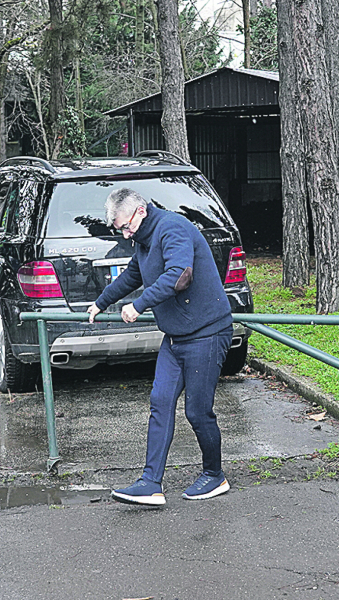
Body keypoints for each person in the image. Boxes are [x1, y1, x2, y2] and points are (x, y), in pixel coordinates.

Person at [88, 188, 234, 506]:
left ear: (140, 211)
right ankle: (150, 483)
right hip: (175, 337)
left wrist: (138, 306)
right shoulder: (143, 240)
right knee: (160, 404)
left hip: (207, 333)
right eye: (119, 230)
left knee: (197, 411)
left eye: (125, 227)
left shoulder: (173, 228)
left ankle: (215, 475)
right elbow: (132, 276)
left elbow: (180, 275)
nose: (125, 235)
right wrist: (101, 303)